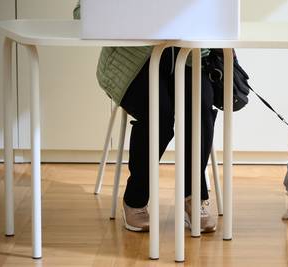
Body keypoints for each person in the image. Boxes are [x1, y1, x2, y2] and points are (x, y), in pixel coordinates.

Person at [74, 3, 217, 233]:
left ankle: (192, 197)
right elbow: (82, 13)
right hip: (133, 62)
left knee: (200, 104)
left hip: (188, 55)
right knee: (159, 114)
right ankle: (135, 199)